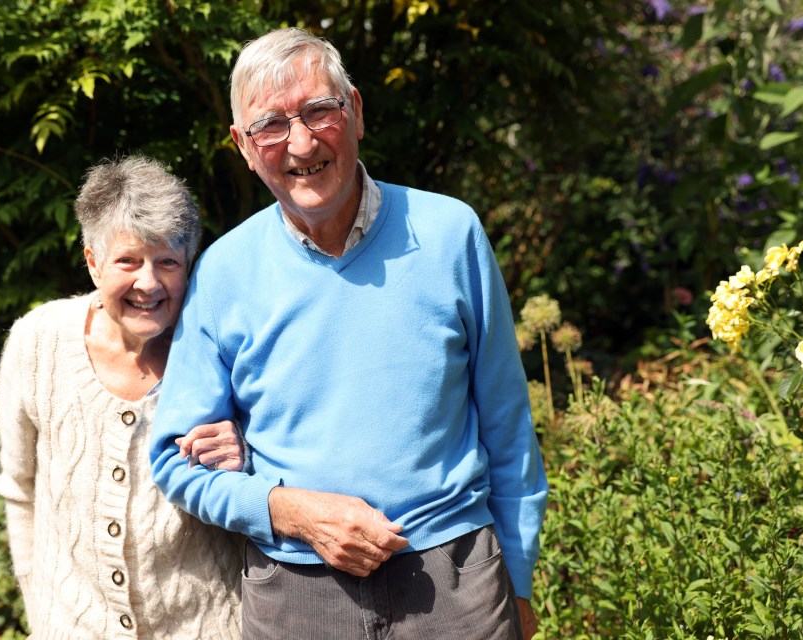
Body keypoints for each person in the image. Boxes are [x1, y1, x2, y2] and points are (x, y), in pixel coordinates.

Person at [150, 27, 548, 640]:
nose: (302, 142)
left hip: (458, 584)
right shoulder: (225, 272)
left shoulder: (450, 234)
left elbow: (507, 426)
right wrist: (288, 510)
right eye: (271, 126)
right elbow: (173, 462)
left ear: (356, 110)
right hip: (294, 592)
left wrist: (517, 582)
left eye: (319, 110)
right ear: (243, 146)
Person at [0, 156, 245, 639]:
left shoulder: (221, 349)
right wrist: (39, 609)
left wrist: (243, 457)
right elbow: (18, 488)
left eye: (167, 262)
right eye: (128, 260)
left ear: (188, 266)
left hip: (207, 626)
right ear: (93, 262)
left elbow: (271, 477)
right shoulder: (36, 342)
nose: (148, 283)